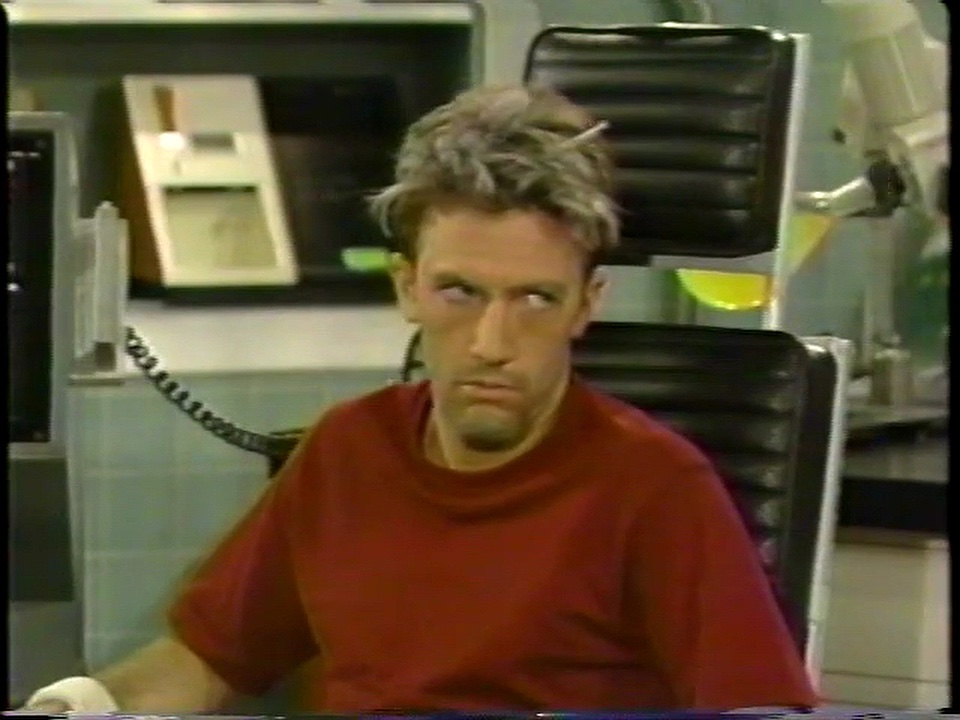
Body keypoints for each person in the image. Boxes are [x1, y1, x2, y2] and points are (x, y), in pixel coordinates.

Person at [24, 84, 819, 714]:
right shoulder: (348, 451)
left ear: (587, 305)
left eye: (535, 299)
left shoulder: (654, 488)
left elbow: (756, 709)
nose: (491, 342)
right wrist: (79, 704)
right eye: (459, 292)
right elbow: (207, 658)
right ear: (408, 288)